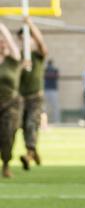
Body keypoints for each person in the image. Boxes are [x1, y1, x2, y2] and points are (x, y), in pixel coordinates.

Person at [18, 16, 48, 170]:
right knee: (24, 127)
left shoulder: (38, 56)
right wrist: (21, 66)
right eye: (22, 39)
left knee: (31, 124)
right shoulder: (17, 58)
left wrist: (30, 25)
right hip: (21, 98)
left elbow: (41, 43)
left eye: (27, 38)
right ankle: (33, 151)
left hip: (36, 96)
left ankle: (29, 154)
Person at [0, 23, 22, 178]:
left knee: (8, 134)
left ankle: (6, 164)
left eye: (4, 42)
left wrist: (1, 26)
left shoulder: (13, 60)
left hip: (11, 103)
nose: (2, 44)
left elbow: (10, 41)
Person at [43, 59, 60, 125]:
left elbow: (56, 76)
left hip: (53, 90)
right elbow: (45, 76)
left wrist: (50, 74)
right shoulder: (46, 70)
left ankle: (56, 121)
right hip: (46, 89)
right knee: (45, 106)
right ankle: (44, 121)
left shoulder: (55, 70)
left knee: (55, 106)